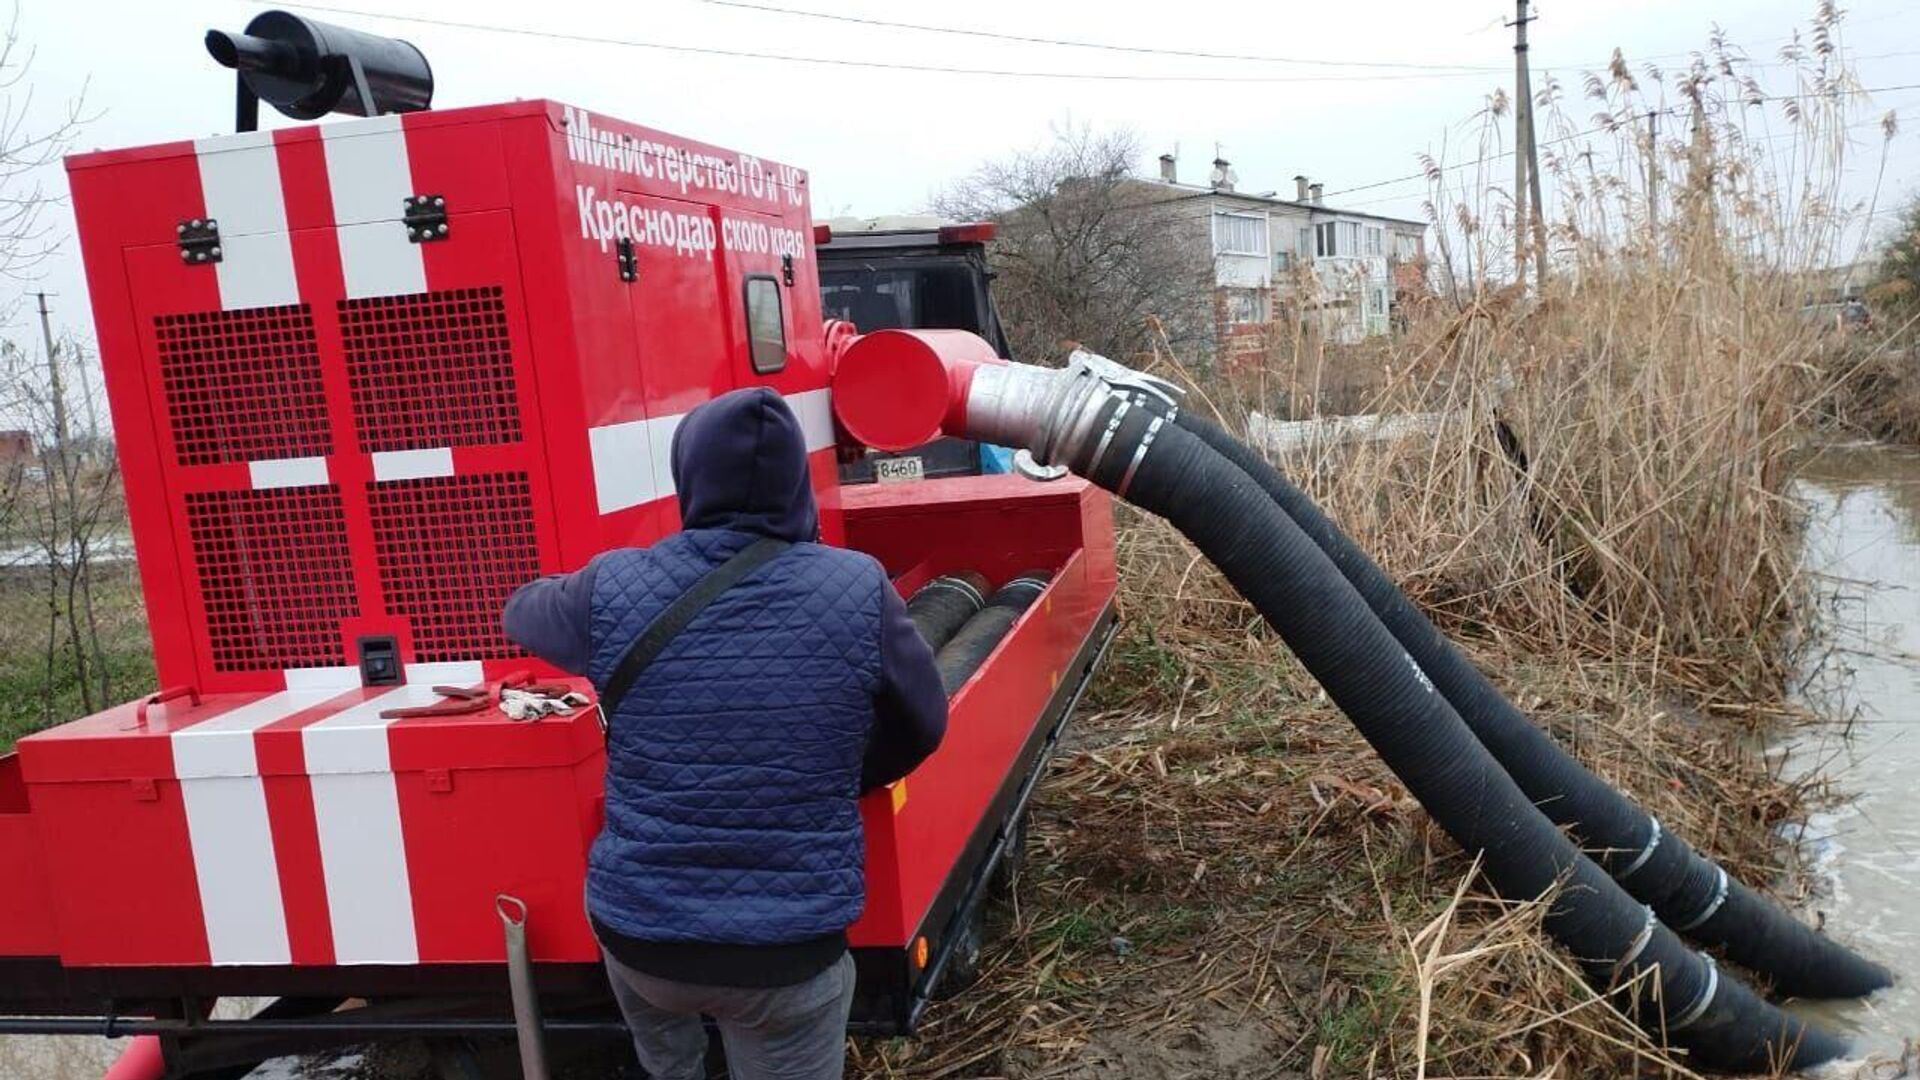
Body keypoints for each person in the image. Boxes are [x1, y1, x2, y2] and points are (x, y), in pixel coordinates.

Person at [502, 387, 948, 1080]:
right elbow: (924, 722)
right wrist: (842, 771)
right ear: (795, 480)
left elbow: (522, 611)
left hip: (641, 939)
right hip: (786, 950)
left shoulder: (615, 585)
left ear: (690, 476)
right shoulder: (857, 586)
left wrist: (599, 586)